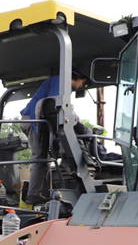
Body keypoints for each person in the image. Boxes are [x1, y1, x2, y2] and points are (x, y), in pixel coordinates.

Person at [20, 72, 90, 205]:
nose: (82, 86)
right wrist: (78, 128)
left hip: (40, 122)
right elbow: (54, 106)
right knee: (40, 158)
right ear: (78, 78)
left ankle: (43, 193)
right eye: (83, 83)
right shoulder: (60, 81)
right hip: (33, 120)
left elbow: (63, 111)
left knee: (45, 159)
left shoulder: (60, 85)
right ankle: (33, 194)